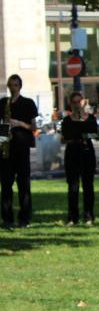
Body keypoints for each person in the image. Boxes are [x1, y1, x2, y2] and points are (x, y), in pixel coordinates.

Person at [0, 74, 38, 228]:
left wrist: (18, 123)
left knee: (24, 185)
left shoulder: (28, 103)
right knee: (5, 186)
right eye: (10, 85)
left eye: (15, 85)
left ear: (20, 86)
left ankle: (24, 219)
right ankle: (7, 219)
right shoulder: (3, 103)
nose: (12, 88)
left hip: (22, 148)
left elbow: (33, 127)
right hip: (6, 149)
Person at [61, 92, 98, 226]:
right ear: (71, 104)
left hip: (87, 153)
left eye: (79, 102)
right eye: (74, 102)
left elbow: (95, 134)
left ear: (83, 102)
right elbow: (63, 139)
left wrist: (85, 129)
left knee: (88, 186)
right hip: (73, 153)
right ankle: (72, 217)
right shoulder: (67, 120)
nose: (77, 104)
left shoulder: (90, 118)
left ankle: (89, 216)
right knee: (73, 186)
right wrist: (73, 136)